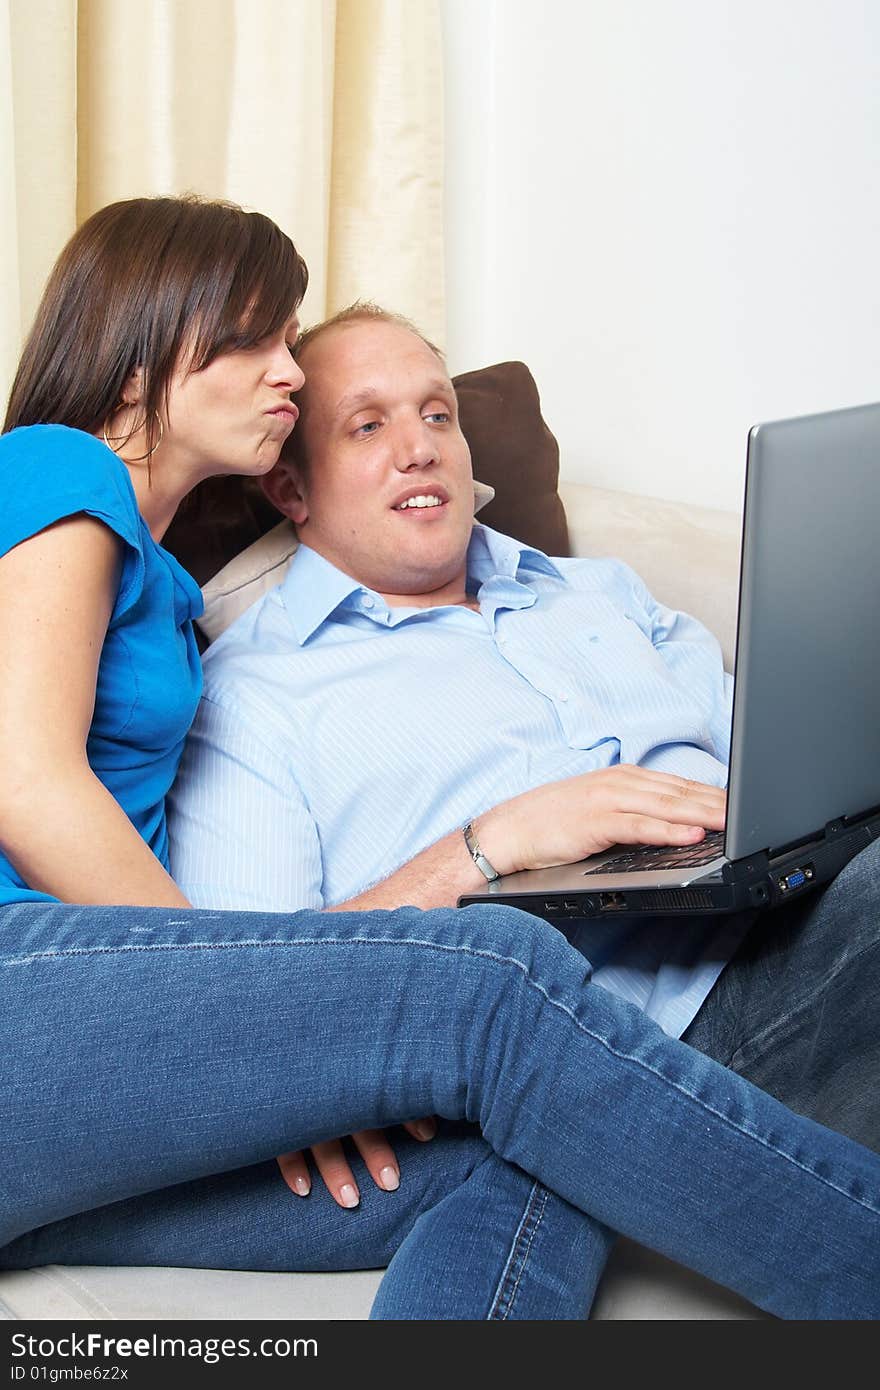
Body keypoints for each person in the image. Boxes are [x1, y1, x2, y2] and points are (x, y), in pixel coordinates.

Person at [1, 205, 879, 1324]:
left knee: (525, 1156)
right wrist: (281, 1027)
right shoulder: (56, 468)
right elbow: (25, 782)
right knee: (494, 971)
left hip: (71, 1112)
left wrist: (281, 1050)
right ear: (138, 358)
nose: (286, 372)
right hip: (24, 986)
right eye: (254, 340)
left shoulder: (174, 595)